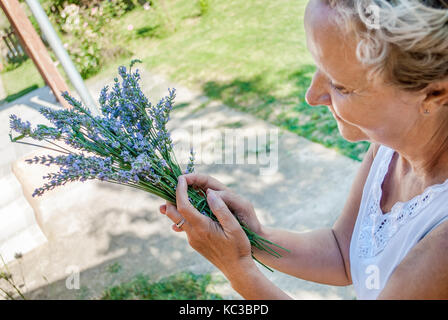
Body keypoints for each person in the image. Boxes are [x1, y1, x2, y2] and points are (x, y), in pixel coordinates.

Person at [159, 0, 448, 300]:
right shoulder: (388, 151)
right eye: (319, 67)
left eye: (340, 85)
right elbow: (342, 252)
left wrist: (239, 272)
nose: (311, 95)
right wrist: (252, 236)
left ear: (434, 92)